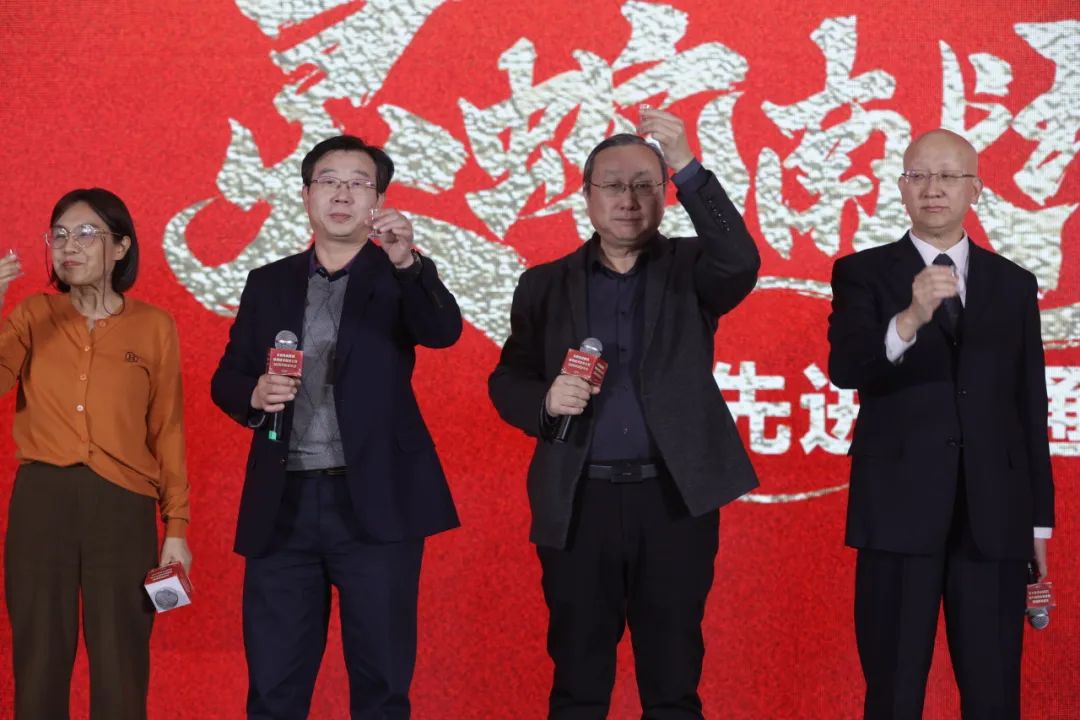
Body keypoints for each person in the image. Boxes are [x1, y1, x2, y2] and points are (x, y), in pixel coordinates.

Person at [488, 108, 760, 719]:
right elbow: (508, 378)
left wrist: (687, 164)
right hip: (578, 500)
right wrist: (543, 401)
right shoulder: (544, 284)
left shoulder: (693, 270)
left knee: (673, 682)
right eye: (613, 185)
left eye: (645, 185)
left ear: (665, 194)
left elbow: (741, 260)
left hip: (673, 502)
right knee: (579, 684)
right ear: (586, 195)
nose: (629, 200)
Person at [211, 134, 462, 719]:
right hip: (283, 505)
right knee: (273, 689)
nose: (342, 194)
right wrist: (253, 393)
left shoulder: (398, 274)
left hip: (376, 502)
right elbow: (227, 377)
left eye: (358, 183)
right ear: (306, 195)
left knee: (381, 686)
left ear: (379, 200)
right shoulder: (268, 282)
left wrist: (408, 263)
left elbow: (442, 331)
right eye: (329, 180)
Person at [827, 129, 1054, 719]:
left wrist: (1039, 521)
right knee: (894, 692)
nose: (933, 189)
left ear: (975, 189)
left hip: (994, 518)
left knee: (993, 694)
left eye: (949, 176)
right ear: (901, 188)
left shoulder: (1013, 283)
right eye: (919, 176)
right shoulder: (862, 273)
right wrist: (909, 318)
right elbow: (846, 368)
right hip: (898, 513)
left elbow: (1030, 406)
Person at [0, 188, 192, 720]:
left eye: (87, 233)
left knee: (121, 664)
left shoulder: (154, 326)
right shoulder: (32, 314)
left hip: (123, 508)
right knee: (38, 661)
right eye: (59, 234)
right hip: (42, 503)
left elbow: (167, 430)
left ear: (121, 247)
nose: (70, 246)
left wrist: (176, 528)